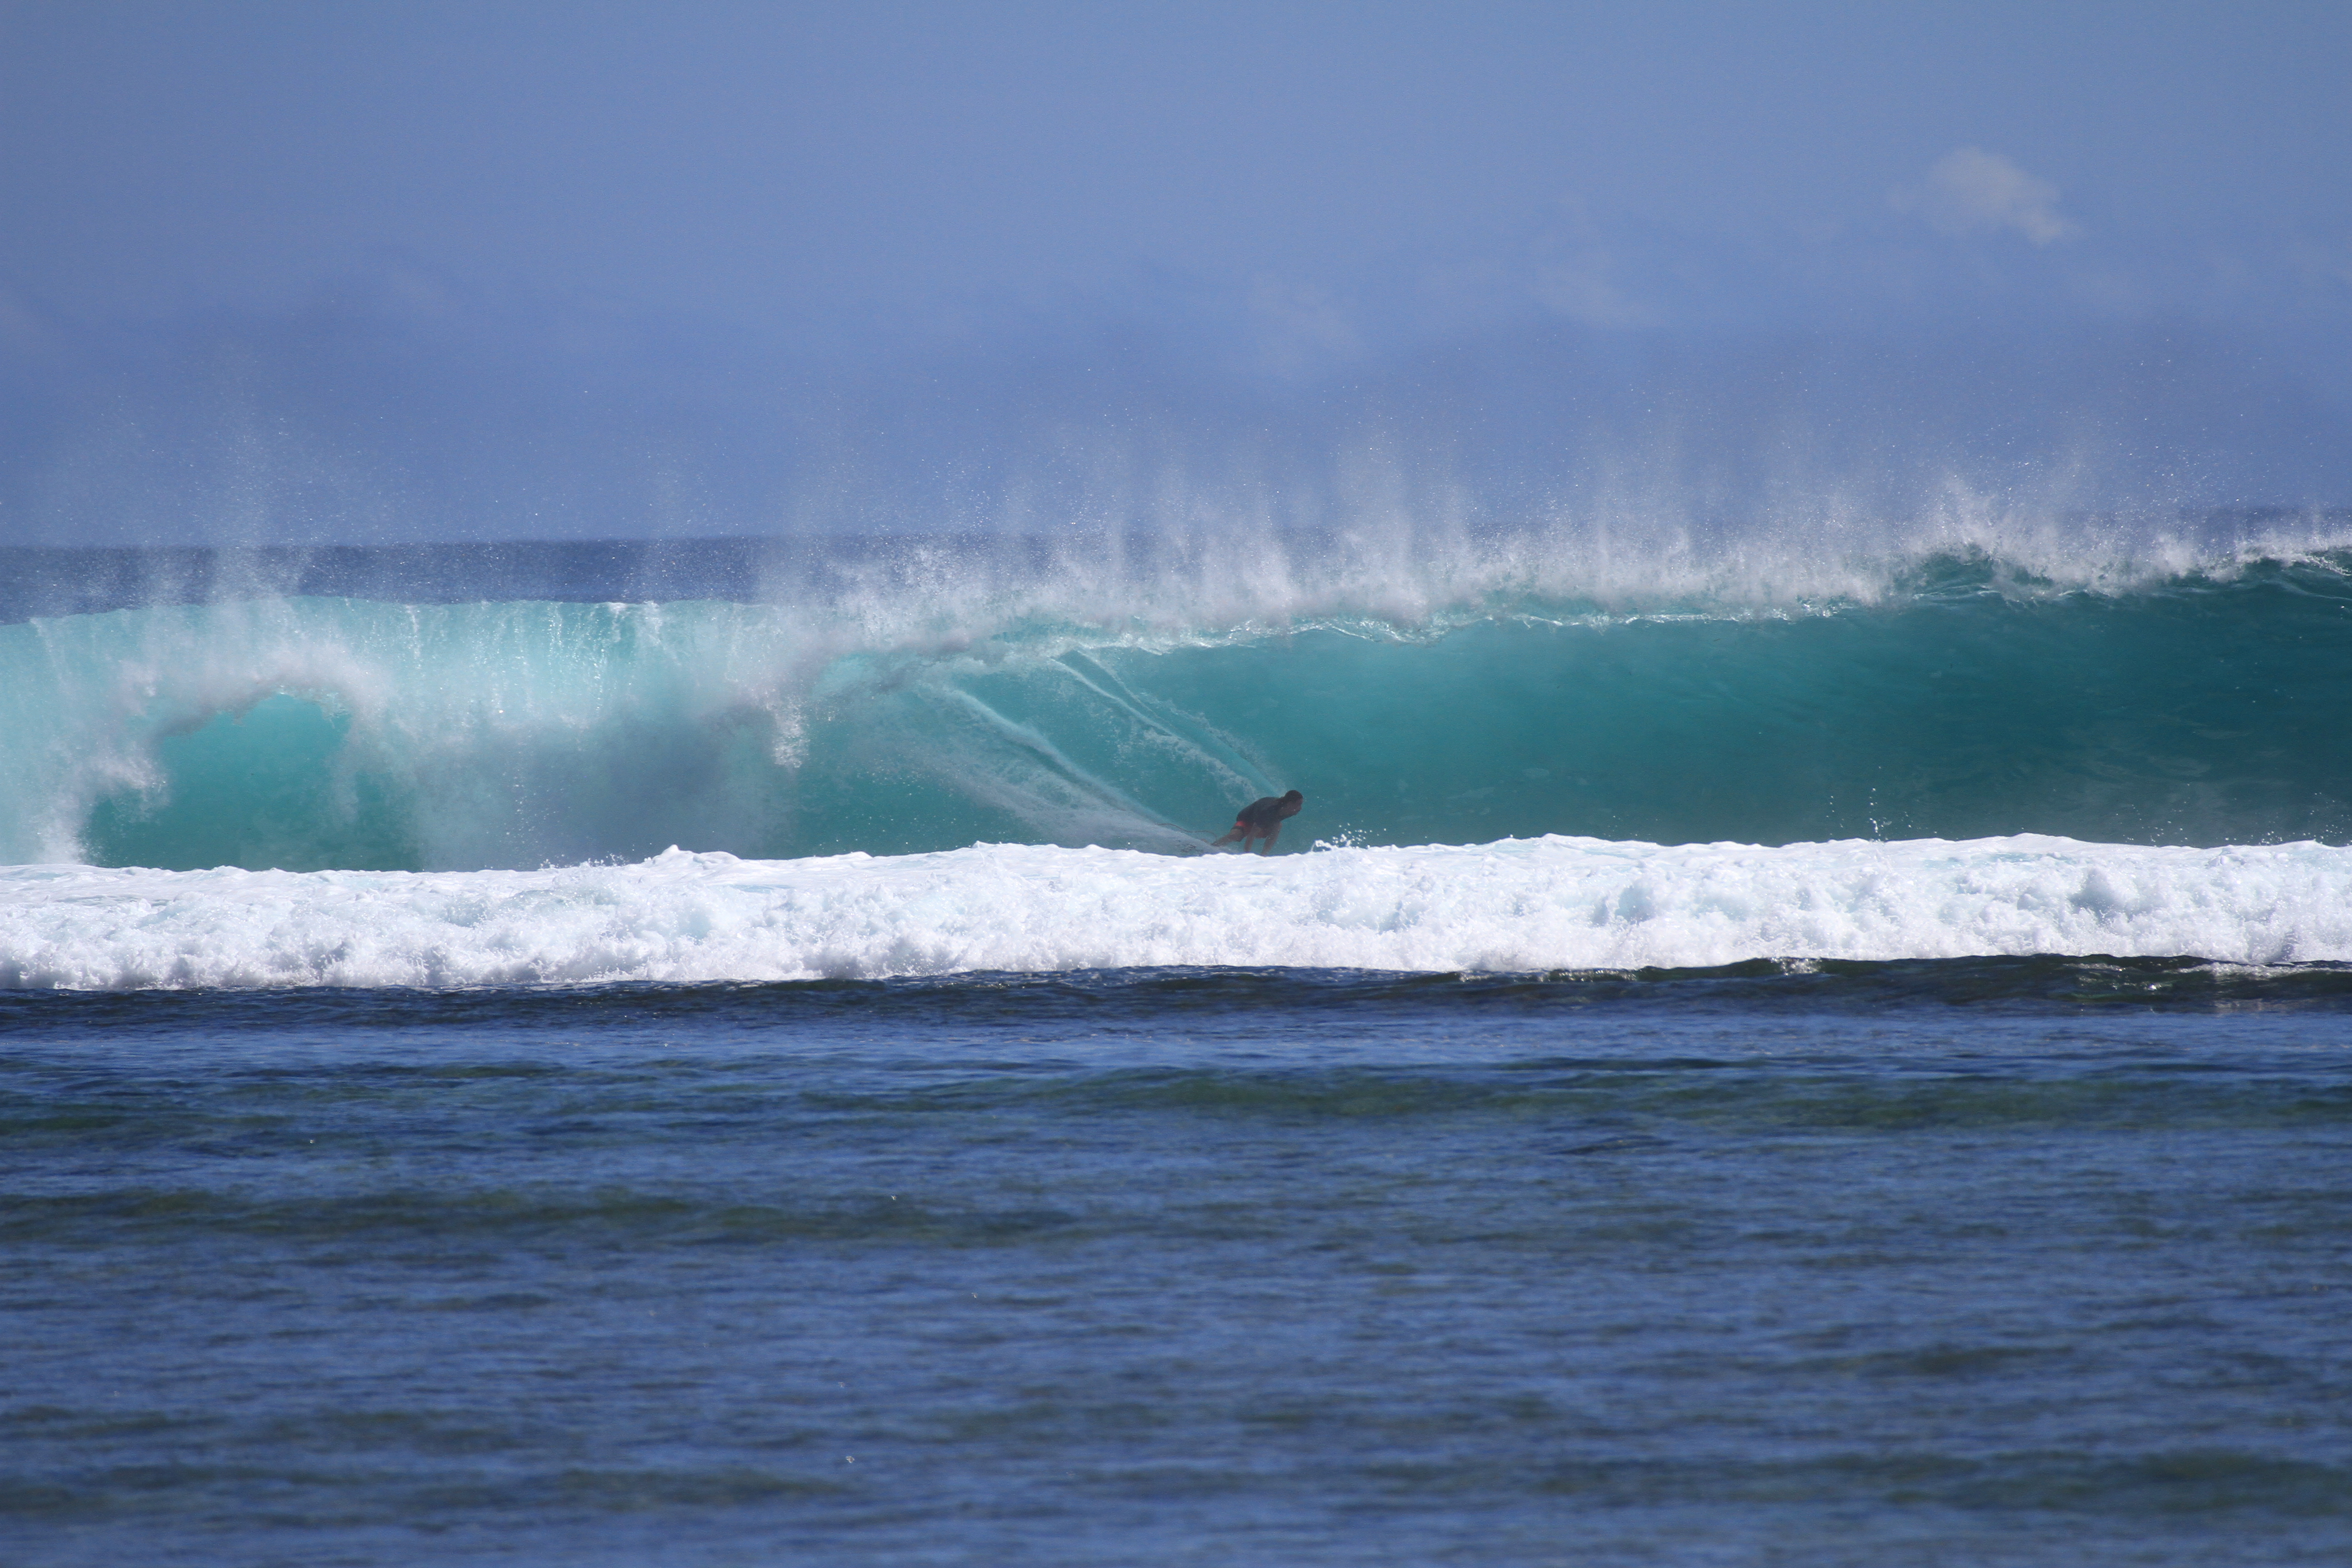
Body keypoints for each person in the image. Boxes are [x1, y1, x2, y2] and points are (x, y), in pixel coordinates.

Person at [1213, 789, 1303, 854]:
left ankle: (1264, 855)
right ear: (1290, 804)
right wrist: (1247, 855)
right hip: (1247, 819)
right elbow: (1252, 834)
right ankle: (1212, 847)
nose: (1300, 808)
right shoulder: (1269, 810)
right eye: (1299, 805)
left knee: (1278, 825)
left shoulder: (1289, 811)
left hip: (1264, 824)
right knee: (1235, 836)